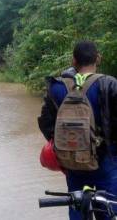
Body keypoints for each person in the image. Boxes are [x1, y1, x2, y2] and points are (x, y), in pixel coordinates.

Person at [38, 41, 117, 220]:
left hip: (72, 163)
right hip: (105, 162)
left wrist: (64, 147)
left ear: (74, 61)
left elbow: (46, 123)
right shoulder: (109, 84)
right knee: (108, 209)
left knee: (77, 208)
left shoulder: (57, 87)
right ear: (98, 58)